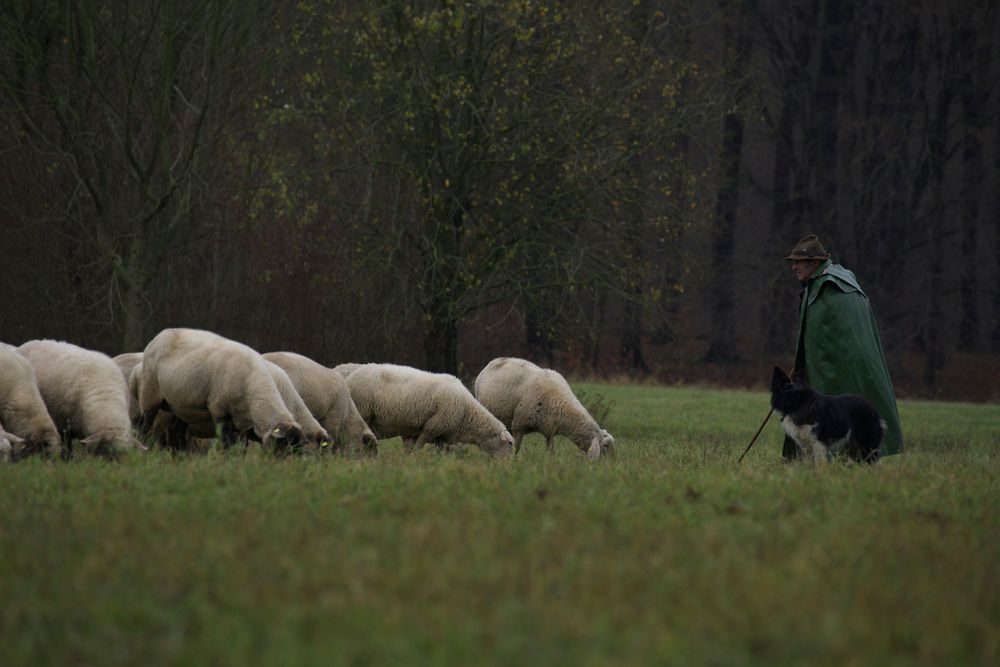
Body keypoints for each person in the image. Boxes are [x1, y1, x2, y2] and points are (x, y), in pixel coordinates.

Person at [783, 233, 903, 459]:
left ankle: (836, 456)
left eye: (799, 261)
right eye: (793, 261)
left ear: (815, 262)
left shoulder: (832, 287)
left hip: (842, 367)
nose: (794, 267)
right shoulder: (828, 282)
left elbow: (837, 339)